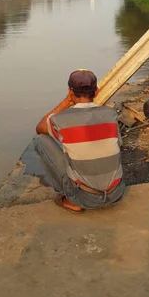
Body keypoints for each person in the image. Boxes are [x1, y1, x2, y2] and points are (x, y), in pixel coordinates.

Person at [34, 69, 125, 213]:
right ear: (96, 92)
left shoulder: (61, 119)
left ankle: (69, 198)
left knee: (40, 140)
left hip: (85, 198)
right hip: (117, 193)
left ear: (70, 92)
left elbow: (40, 128)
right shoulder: (110, 113)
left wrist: (66, 101)